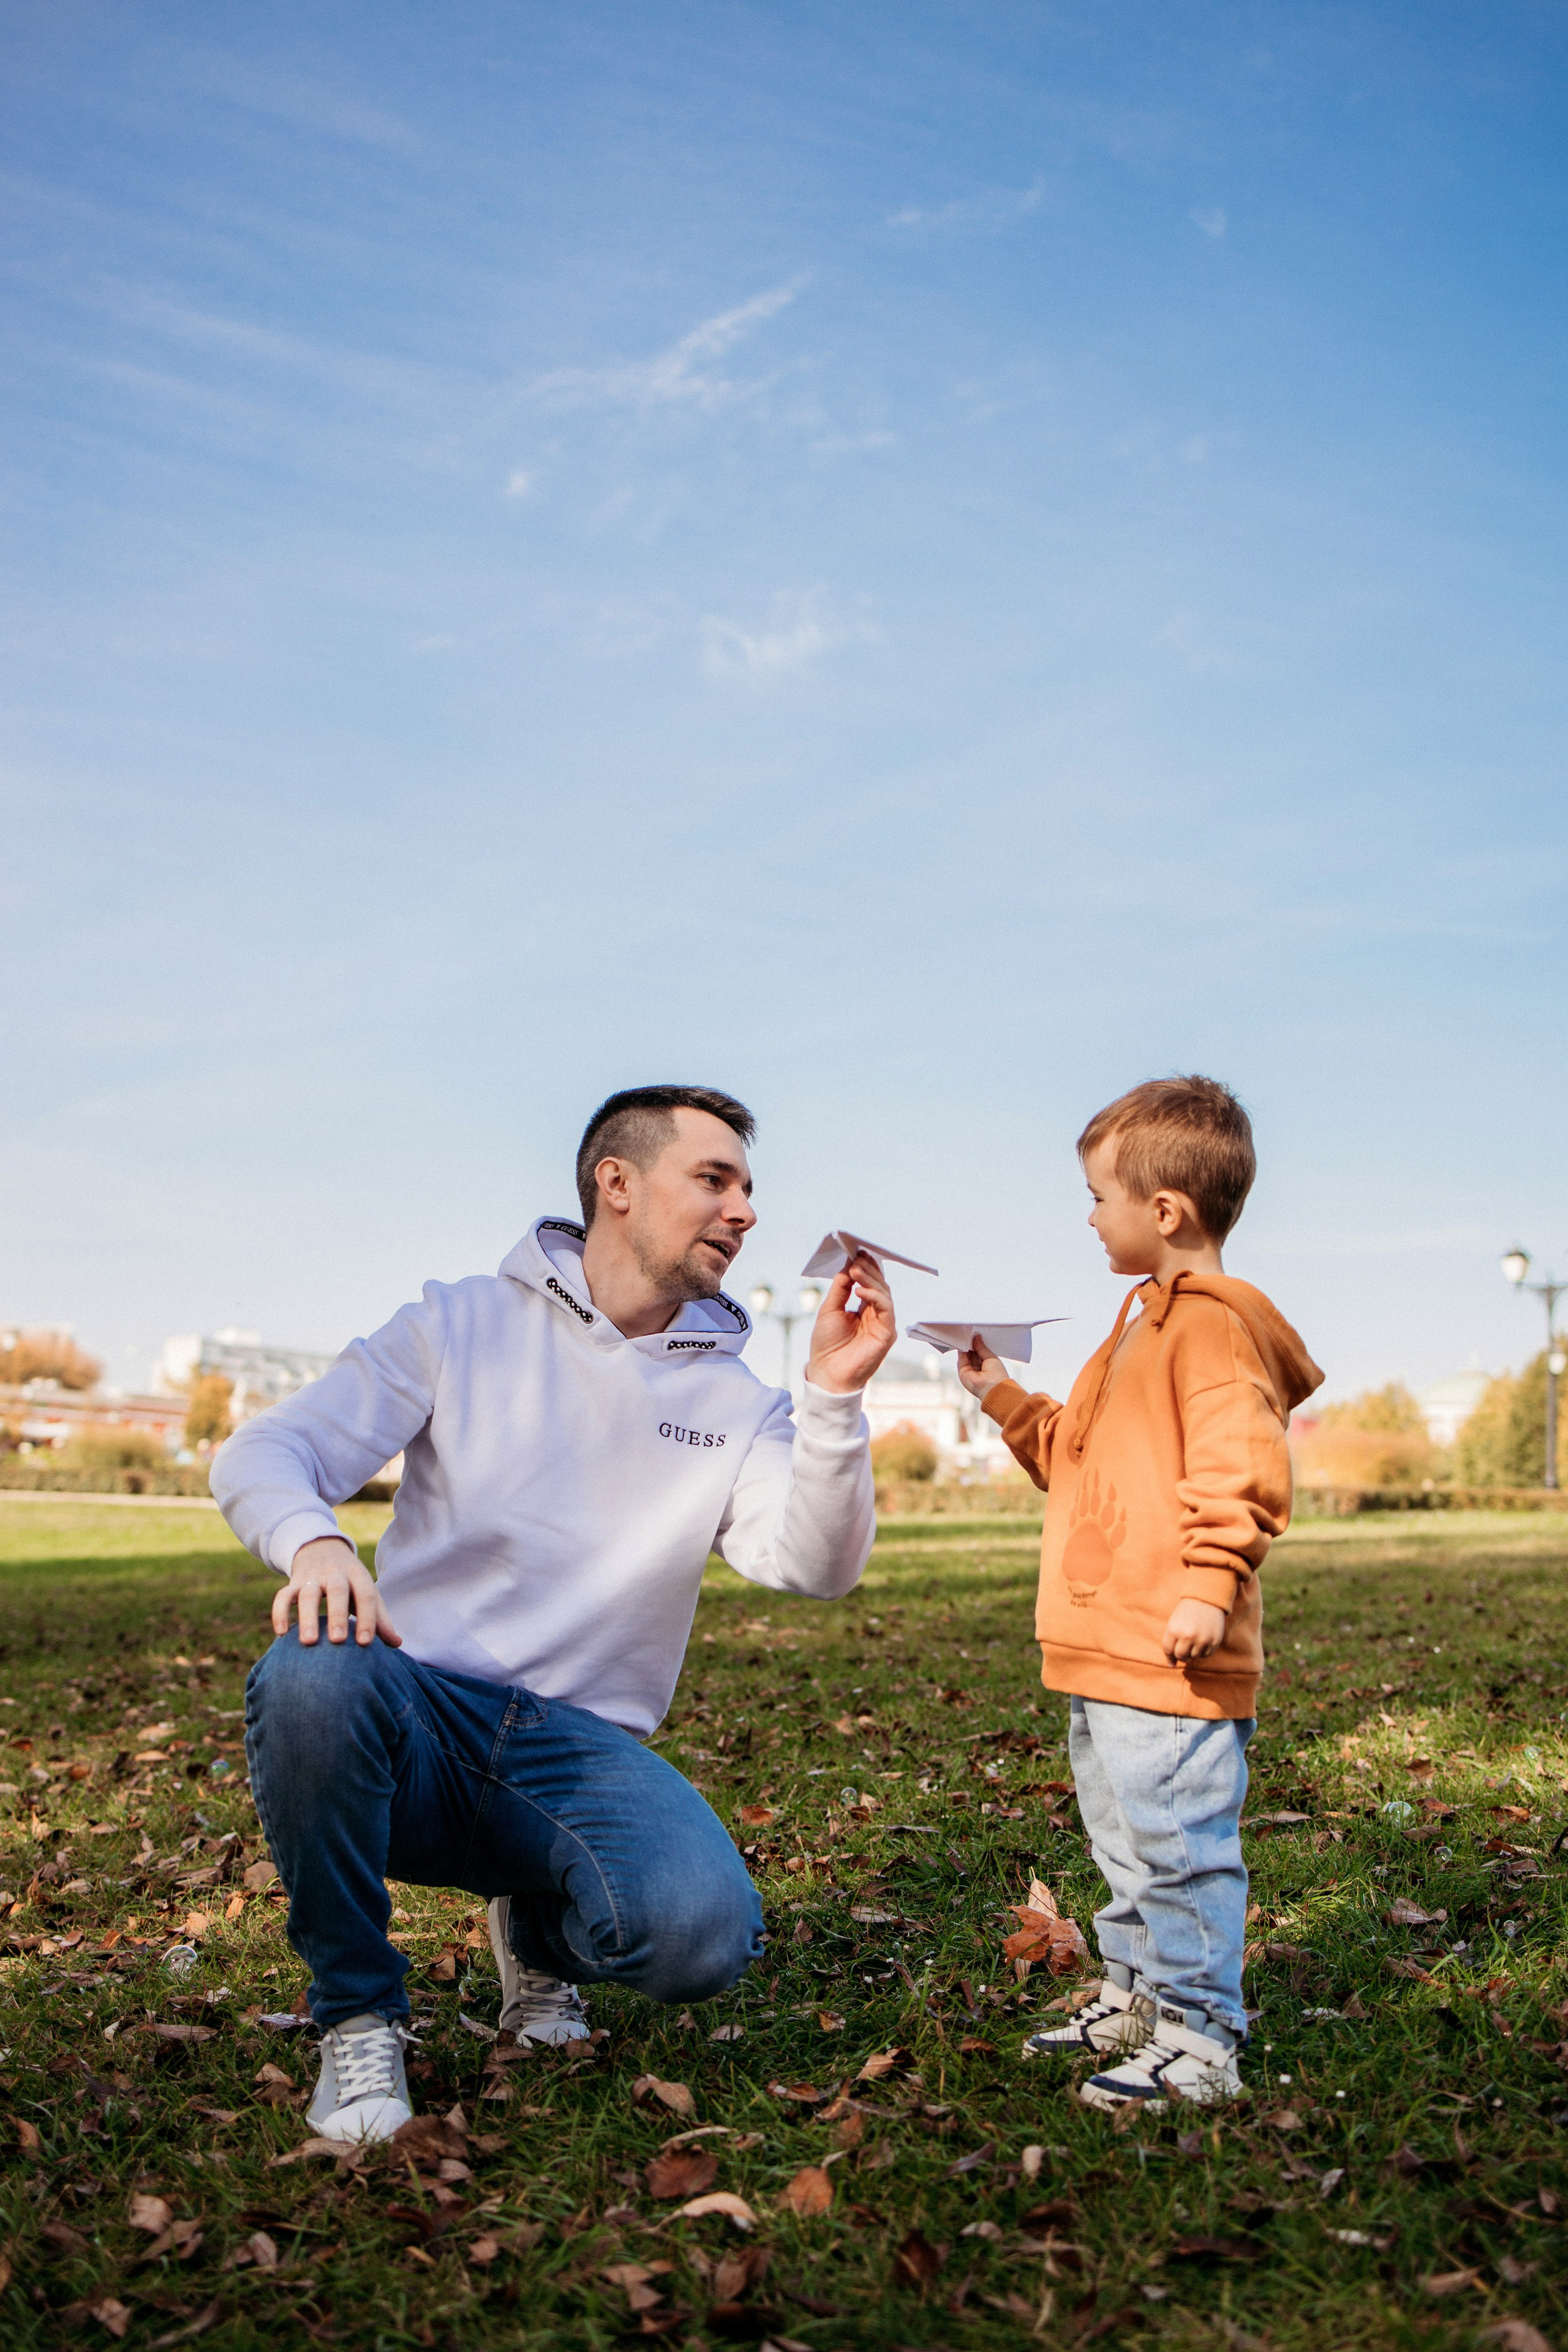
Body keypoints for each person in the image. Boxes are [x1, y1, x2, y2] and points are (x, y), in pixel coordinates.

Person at [213, 1084, 897, 2143]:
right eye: (715, 1180)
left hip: (575, 1755)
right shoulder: (461, 1323)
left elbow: (814, 1565)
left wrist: (837, 1400)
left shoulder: (740, 1398)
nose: (745, 1210)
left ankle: (538, 1935)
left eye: (749, 1188)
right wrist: (314, 1544)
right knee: (310, 1667)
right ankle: (358, 2018)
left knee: (703, 1938)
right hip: (418, 1719)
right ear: (615, 1184)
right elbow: (266, 1450)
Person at [957, 1076, 1321, 2109]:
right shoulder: (1135, 1330)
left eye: (1098, 1194)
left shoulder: (1212, 1331)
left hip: (1171, 1647)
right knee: (1123, 1836)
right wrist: (1002, 1399)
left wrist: (1211, 1582)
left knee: (1178, 1844)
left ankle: (1204, 2037)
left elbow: (1241, 1463)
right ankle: (1138, 1993)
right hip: (1102, 1644)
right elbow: (1078, 1457)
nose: (1089, 1213)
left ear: (1164, 1212)